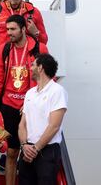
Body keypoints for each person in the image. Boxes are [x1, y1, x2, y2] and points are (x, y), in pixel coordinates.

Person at [0, 15, 48, 185]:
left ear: (23, 29)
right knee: (11, 152)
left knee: (31, 151)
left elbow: (47, 79)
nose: (9, 33)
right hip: (8, 106)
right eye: (7, 29)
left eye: (13, 29)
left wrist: (30, 103)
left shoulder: (40, 48)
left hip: (31, 108)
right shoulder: (4, 49)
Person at [18, 54, 68, 185]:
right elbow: (22, 124)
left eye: (33, 65)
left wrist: (35, 149)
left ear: (40, 68)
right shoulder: (30, 93)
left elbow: (54, 126)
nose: (30, 67)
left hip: (47, 151)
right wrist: (24, 146)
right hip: (27, 149)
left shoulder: (57, 91)